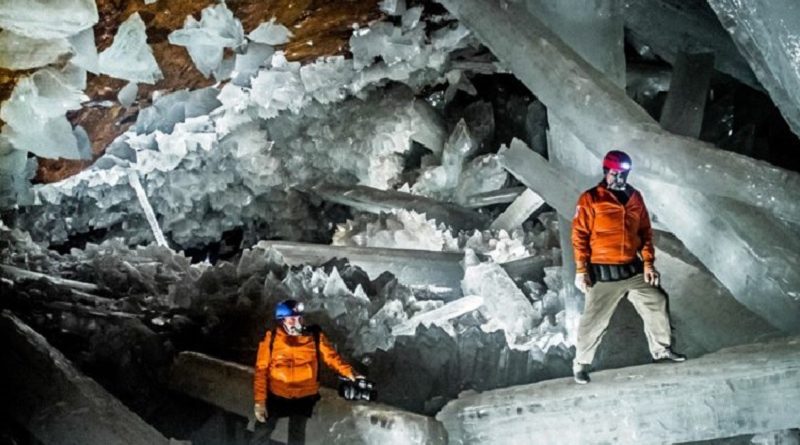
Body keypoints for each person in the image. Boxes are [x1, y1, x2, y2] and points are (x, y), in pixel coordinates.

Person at [571, 150, 686, 385]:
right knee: (593, 321)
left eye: (624, 173)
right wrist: (582, 270)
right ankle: (581, 364)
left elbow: (645, 232)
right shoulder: (591, 199)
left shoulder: (634, 197)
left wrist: (648, 264)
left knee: (656, 300)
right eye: (615, 173)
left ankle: (661, 350)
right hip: (603, 273)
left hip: (631, 269)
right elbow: (579, 235)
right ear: (606, 172)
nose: (620, 178)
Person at [252, 299, 361, 444]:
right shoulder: (271, 339)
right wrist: (260, 401)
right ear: (282, 320)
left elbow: (332, 357)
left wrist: (350, 373)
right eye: (291, 319)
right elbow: (261, 369)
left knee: (297, 436)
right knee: (262, 430)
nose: (296, 323)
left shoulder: (314, 337)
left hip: (303, 397)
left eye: (298, 318)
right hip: (278, 394)